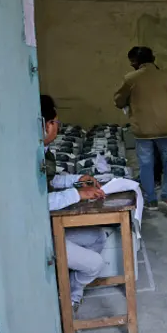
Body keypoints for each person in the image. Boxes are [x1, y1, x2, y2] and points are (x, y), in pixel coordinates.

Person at [41, 94, 107, 313]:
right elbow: (39, 202)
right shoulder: (24, 158)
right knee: (95, 264)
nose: (57, 128)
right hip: (39, 237)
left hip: (48, 227)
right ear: (45, 125)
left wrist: (77, 180)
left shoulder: (39, 151)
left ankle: (71, 295)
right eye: (55, 123)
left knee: (97, 235)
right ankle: (66, 302)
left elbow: (50, 181)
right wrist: (79, 194)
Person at [114, 46, 167, 213]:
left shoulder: (131, 78)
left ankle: (151, 200)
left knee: (146, 164)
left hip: (143, 130)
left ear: (135, 61)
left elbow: (119, 101)